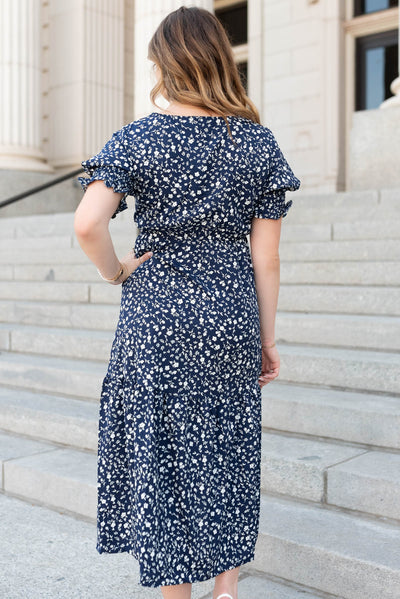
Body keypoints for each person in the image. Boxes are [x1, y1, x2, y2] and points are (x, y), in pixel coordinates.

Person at [74, 6, 300, 599]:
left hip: (158, 315)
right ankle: (226, 589)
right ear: (220, 58)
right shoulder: (255, 141)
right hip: (229, 313)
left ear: (163, 64)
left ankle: (179, 594)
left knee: (164, 448)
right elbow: (267, 260)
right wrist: (267, 341)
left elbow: (87, 224)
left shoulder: (139, 138)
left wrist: (116, 270)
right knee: (228, 444)